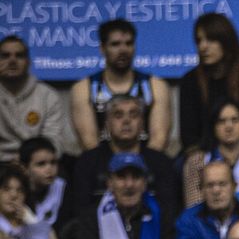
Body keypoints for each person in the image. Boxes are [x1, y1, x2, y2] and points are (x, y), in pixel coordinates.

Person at [66, 94, 180, 229]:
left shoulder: (161, 162)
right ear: (107, 124)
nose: (126, 121)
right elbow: (80, 212)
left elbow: (170, 212)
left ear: (142, 123)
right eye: (118, 115)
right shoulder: (87, 162)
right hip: (99, 231)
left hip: (152, 231)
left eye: (133, 115)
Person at [70, 19, 171, 153]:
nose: (123, 50)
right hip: (100, 162)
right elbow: (89, 143)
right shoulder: (84, 88)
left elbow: (159, 141)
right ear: (102, 48)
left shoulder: (156, 86)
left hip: (147, 161)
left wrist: (135, 163)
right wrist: (117, 164)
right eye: (115, 44)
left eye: (129, 43)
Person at [178, 14, 239, 151]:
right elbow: (189, 137)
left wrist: (237, 155)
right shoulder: (191, 81)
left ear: (226, 41)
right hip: (206, 155)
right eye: (199, 40)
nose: (203, 46)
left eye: (211, 39)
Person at [0, 35, 77, 161]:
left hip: (35, 164)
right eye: (5, 56)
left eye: (19, 55)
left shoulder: (47, 96)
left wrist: (26, 160)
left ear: (28, 62)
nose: (12, 60)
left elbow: (54, 143)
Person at [0, 164, 51, 239]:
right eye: (6, 189)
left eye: (20, 190)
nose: (14, 195)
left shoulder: (37, 226)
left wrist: (32, 223)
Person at [18, 138, 66, 239]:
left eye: (53, 162)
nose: (49, 169)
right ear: (24, 168)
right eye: (41, 164)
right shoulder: (16, 193)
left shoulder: (63, 188)